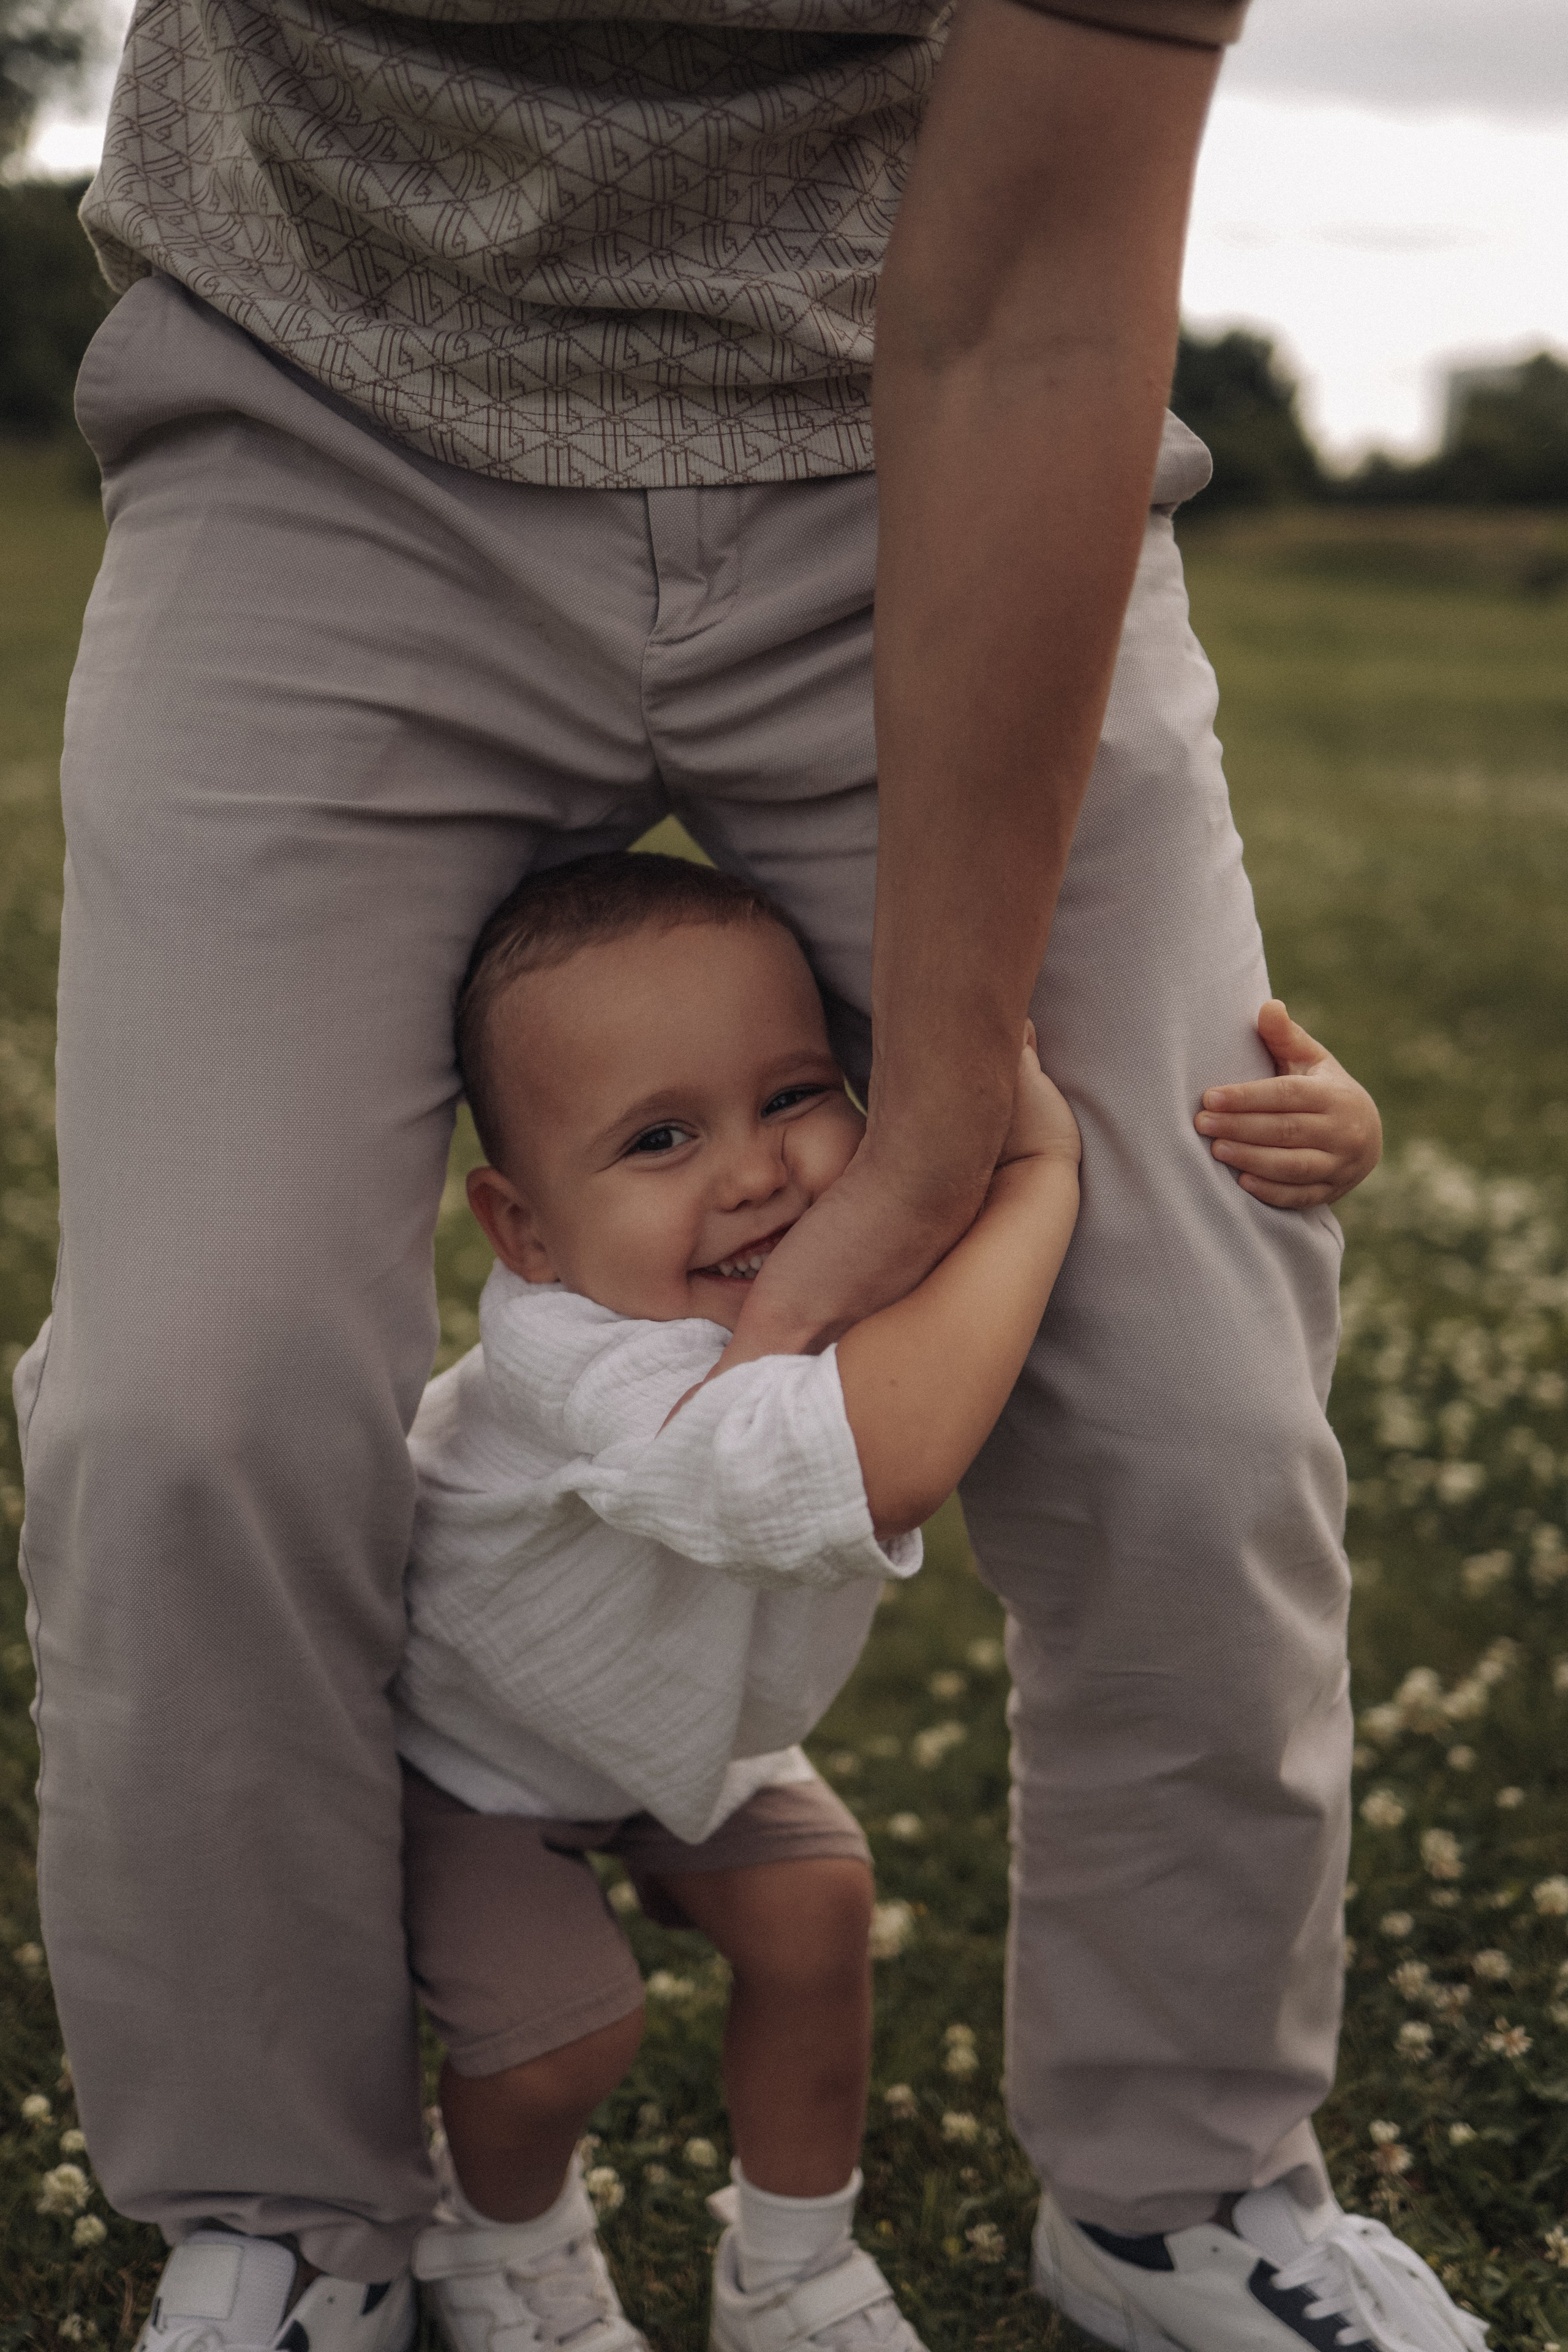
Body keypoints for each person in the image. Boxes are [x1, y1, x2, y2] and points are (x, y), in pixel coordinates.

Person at [12, 0, 1486, 2338]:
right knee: (184, 1412)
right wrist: (997, 1173)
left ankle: (1182, 2187)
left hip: (946, 435)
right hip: (329, 423)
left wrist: (960, 1118)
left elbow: (1029, 300)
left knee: (1197, 1383)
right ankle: (289, 2214)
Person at [395, 848, 1080, 2352]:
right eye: (658, 1137)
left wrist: (1319, 1134)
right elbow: (844, 1468)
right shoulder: (571, 1358)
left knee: (815, 1914)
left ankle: (791, 2267)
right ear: (523, 1231)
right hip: (469, 1755)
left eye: (790, 1095)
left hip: (682, 1736)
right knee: (564, 2032)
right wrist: (1037, 1171)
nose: (756, 1171)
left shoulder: (818, 1257)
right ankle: (495, 2240)